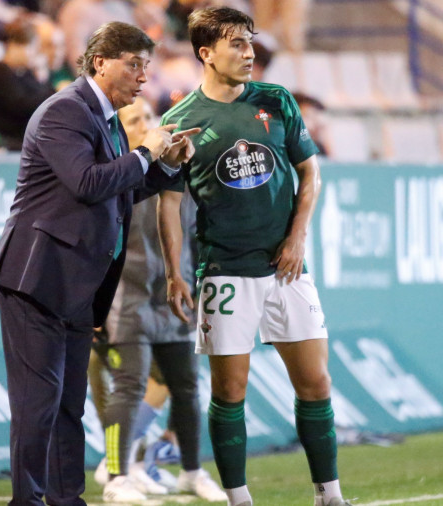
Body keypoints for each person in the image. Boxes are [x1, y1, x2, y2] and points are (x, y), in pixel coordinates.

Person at [0, 21, 200, 506]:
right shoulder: (66, 111)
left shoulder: (102, 117)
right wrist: (147, 150)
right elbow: (87, 183)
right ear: (100, 62)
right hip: (37, 279)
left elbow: (120, 191)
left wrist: (168, 164)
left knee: (68, 404)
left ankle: (66, 500)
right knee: (37, 403)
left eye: (147, 66)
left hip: (79, 285)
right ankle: (27, 500)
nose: (144, 77)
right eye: (134, 65)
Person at [158, 7, 351, 506]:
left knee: (316, 381)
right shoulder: (179, 122)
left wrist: (296, 239)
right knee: (230, 391)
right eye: (236, 45)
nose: (248, 53)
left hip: (286, 268)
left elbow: (310, 174)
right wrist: (174, 273)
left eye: (249, 43)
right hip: (225, 271)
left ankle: (329, 495)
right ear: (206, 53)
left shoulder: (277, 100)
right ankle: (239, 498)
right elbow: (171, 202)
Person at [95, 97, 226, 503]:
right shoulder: (115, 178)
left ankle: (191, 471)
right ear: (122, 133)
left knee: (186, 387)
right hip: (125, 299)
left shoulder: (175, 173)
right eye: (136, 119)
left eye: (150, 116)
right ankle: (116, 474)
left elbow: (194, 232)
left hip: (171, 296)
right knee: (129, 385)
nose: (148, 123)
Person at [0, 16, 55, 151]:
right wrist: (54, 94)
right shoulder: (0, 73)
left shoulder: (23, 73)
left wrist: (43, 79)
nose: (33, 54)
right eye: (30, 47)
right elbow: (21, 106)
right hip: (7, 136)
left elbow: (41, 95)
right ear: (13, 45)